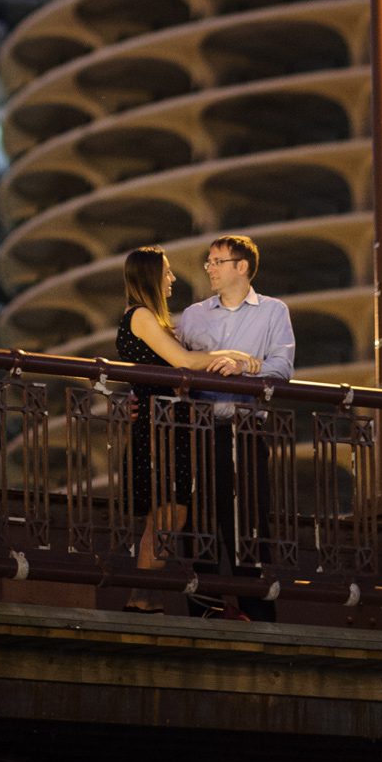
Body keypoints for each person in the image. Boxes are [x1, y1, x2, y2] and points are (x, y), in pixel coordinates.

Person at [116, 245, 251, 612]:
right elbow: (183, 362)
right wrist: (233, 356)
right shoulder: (141, 315)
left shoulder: (149, 319)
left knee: (167, 513)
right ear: (150, 276)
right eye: (167, 271)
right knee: (165, 513)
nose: (172, 278)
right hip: (158, 427)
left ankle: (144, 597)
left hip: (163, 423)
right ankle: (141, 598)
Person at [178, 234, 295, 622]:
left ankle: (259, 614)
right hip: (198, 429)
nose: (209, 268)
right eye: (209, 262)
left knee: (249, 520)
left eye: (216, 261)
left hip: (246, 430)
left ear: (240, 267)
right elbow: (178, 367)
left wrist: (245, 367)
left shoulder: (273, 311)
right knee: (197, 520)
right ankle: (204, 611)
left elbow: (282, 368)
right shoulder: (193, 314)